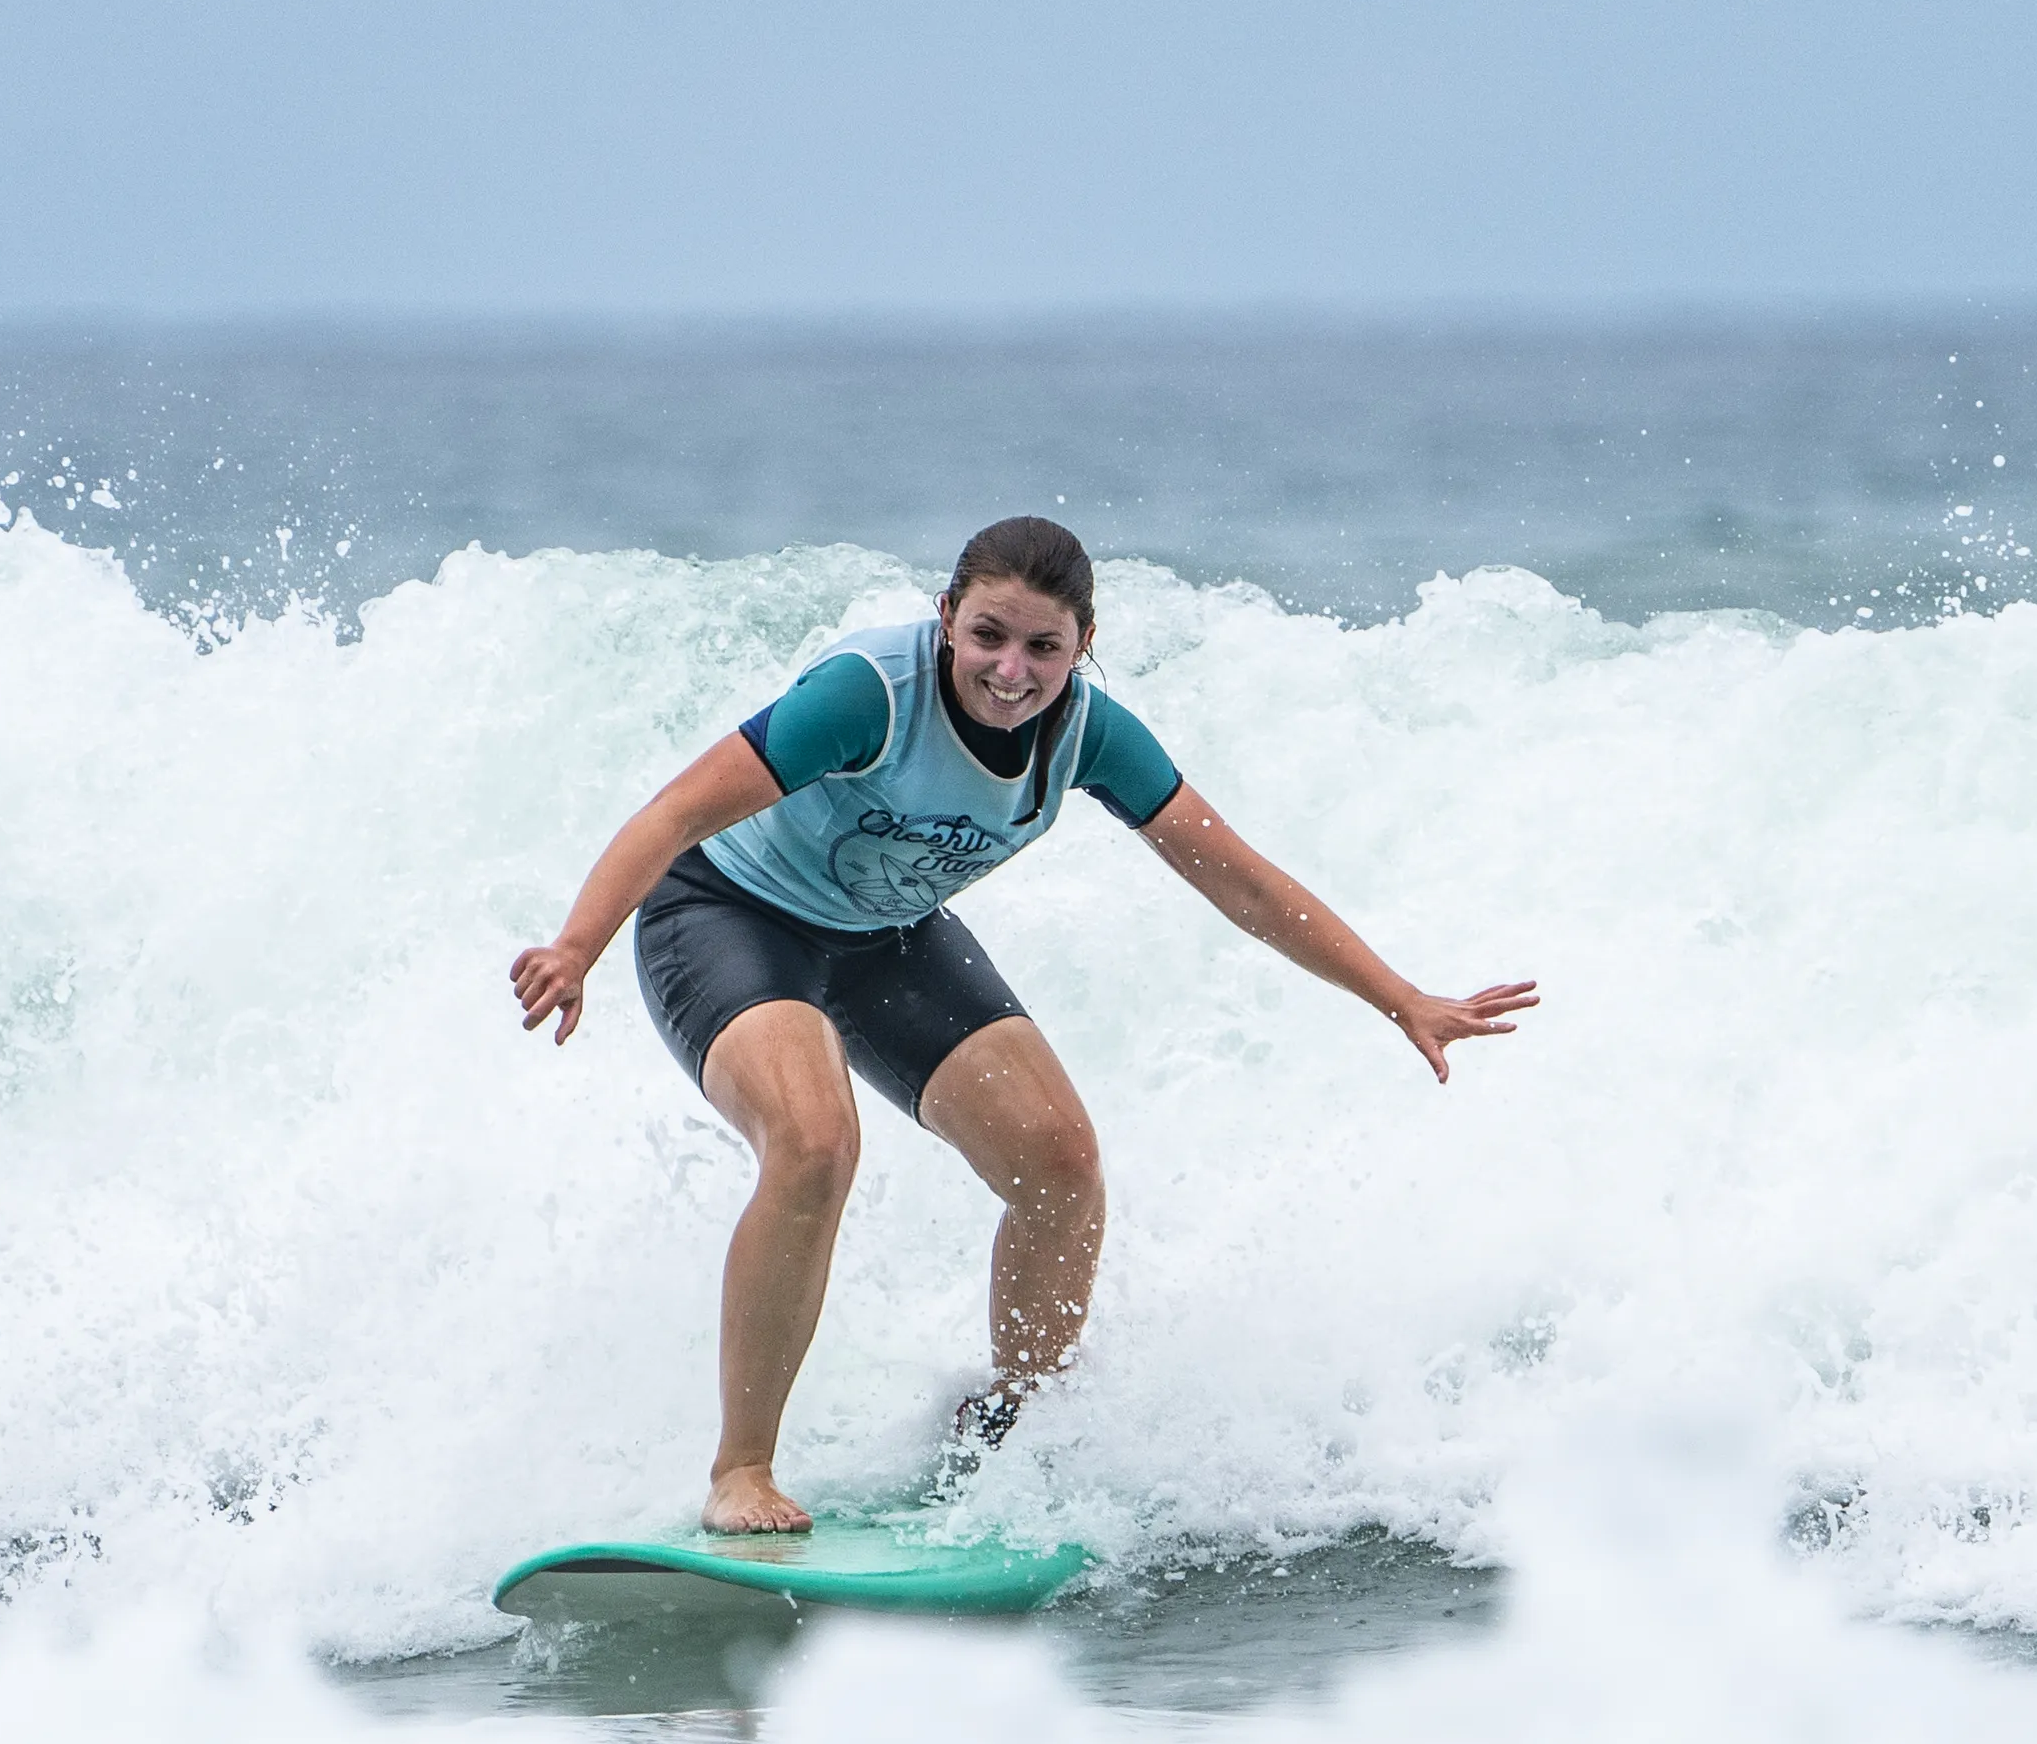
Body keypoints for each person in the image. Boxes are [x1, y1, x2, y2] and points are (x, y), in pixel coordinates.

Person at [507, 516, 1535, 1535]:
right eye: (989, 634)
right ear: (948, 618)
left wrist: (1401, 996)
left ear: (1084, 645)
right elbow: (674, 813)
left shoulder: (1092, 734)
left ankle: (1011, 1429)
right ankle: (742, 1471)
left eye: (1045, 645)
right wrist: (577, 945)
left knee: (1060, 1160)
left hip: (885, 935)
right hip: (728, 916)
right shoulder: (870, 694)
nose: (1011, 669)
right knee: (815, 1141)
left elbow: (1247, 885)